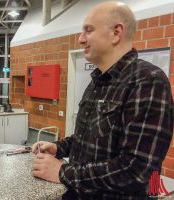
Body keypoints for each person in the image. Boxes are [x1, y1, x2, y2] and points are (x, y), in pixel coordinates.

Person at [32, 2, 174, 200]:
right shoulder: (97, 82)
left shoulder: (148, 81)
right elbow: (88, 139)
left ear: (116, 32)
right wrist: (59, 147)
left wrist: (63, 172)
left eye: (88, 30)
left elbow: (136, 171)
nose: (81, 39)